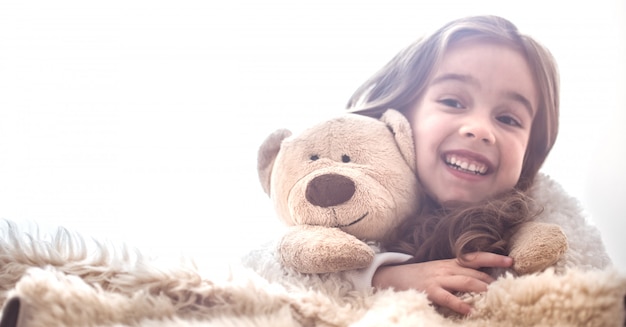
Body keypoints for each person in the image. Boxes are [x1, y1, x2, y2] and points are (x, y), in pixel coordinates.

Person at [344, 15, 610, 315]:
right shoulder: (340, 197)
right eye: (453, 102)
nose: (480, 129)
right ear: (400, 113)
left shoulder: (551, 232)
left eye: (508, 119)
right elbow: (295, 276)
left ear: (529, 155)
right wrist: (381, 278)